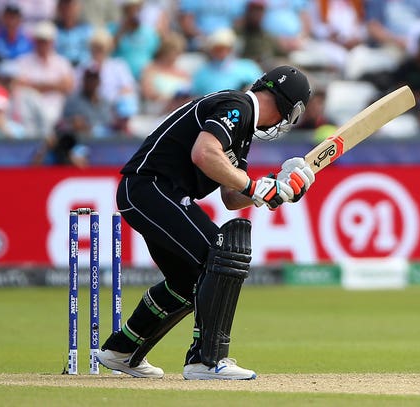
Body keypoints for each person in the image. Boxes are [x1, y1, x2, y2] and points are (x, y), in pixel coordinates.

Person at [95, 65, 316, 380]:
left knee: (186, 282)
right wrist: (256, 187)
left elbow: (230, 194)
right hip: (151, 188)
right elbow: (204, 153)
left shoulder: (240, 124)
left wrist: (276, 187)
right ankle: (207, 361)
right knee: (221, 254)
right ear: (290, 110)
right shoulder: (237, 107)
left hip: (153, 192)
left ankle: (121, 350)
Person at [191, 28, 263, 97]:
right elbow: (195, 96)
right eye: (217, 48)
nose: (222, 52)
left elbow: (260, 90)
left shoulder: (248, 67)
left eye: (225, 48)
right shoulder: (202, 73)